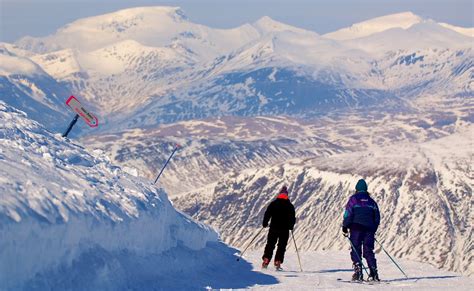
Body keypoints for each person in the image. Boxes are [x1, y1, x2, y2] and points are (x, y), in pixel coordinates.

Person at [342, 179, 381, 282]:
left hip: (356, 228)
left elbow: (348, 214)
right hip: (369, 229)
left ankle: (358, 272)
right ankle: (374, 273)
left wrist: (345, 226)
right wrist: (373, 229)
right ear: (366, 189)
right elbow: (377, 218)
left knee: (356, 249)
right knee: (368, 250)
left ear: (357, 189)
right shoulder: (372, 202)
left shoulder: (353, 200)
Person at [262, 185, 296, 270]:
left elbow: (267, 213)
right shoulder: (290, 206)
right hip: (284, 229)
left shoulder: (273, 204)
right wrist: (291, 226)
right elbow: (292, 218)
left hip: (273, 227)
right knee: (281, 246)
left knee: (270, 244)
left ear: (279, 194)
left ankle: (266, 260)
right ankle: (278, 262)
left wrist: (265, 223)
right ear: (287, 195)